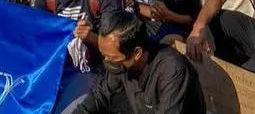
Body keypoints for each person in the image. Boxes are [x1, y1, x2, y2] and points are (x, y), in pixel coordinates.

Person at [74, 11, 206, 114]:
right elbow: (99, 96)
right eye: (105, 56)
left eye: (112, 58)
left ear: (137, 53)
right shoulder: (119, 63)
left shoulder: (172, 71)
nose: (107, 62)